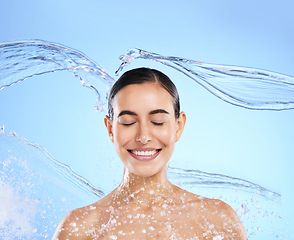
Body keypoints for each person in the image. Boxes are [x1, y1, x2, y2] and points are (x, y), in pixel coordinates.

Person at [52, 68, 247, 239]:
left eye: (158, 121)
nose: (143, 137)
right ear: (110, 129)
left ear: (178, 126)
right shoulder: (79, 228)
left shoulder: (216, 219)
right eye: (128, 122)